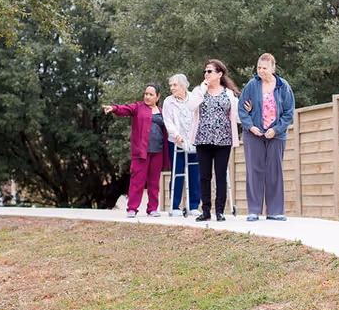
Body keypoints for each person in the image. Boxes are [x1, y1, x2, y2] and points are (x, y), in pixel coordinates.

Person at [238, 52, 295, 221]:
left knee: (274, 171)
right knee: (254, 171)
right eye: (259, 68)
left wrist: (276, 129)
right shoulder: (252, 85)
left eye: (264, 68)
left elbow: (288, 112)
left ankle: (275, 211)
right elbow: (242, 109)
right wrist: (250, 127)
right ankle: (254, 211)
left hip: (276, 135)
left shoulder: (283, 86)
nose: (261, 71)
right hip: (254, 134)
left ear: (273, 68)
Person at [103, 84, 171, 218]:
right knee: (137, 181)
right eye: (146, 94)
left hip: (158, 152)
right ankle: (132, 208)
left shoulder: (162, 112)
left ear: (158, 97)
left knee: (154, 182)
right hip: (141, 152)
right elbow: (125, 109)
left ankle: (152, 209)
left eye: (151, 94)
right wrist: (114, 108)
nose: (147, 96)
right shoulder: (138, 107)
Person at [186, 60, 241, 222]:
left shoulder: (229, 94)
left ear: (219, 74)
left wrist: (250, 111)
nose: (206, 74)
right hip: (203, 139)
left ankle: (220, 211)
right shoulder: (199, 91)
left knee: (221, 175)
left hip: (224, 140)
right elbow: (190, 106)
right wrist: (203, 88)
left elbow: (237, 117)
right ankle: (206, 211)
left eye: (210, 71)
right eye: (205, 71)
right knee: (204, 176)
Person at [162, 74, 201, 215]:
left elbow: (199, 117)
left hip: (194, 141)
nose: (172, 88)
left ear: (183, 86)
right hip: (176, 141)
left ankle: (194, 206)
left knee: (195, 173)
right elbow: (168, 121)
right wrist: (176, 135)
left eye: (175, 85)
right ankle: (174, 206)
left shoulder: (194, 98)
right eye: (171, 85)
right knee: (177, 172)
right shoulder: (168, 101)